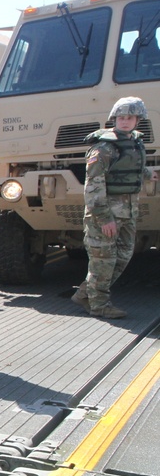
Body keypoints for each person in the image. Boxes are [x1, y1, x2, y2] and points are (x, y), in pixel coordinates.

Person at [71, 97, 156, 319]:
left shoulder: (135, 142)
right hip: (106, 214)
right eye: (121, 117)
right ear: (114, 119)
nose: (125, 121)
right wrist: (104, 218)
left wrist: (149, 174)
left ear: (138, 120)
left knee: (123, 256)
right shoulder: (103, 148)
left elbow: (131, 168)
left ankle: (84, 294)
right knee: (103, 260)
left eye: (129, 118)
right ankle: (99, 305)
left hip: (128, 212)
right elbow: (93, 188)